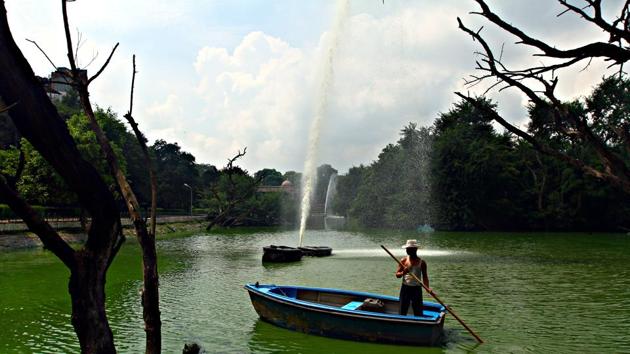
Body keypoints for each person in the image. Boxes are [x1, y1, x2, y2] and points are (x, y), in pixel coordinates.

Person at [395, 239, 431, 316]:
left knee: (418, 312)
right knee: (402, 311)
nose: (407, 250)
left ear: (415, 249)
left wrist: (427, 288)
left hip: (416, 289)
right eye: (407, 249)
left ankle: (418, 324)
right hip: (405, 288)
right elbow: (397, 275)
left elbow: (425, 277)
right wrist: (403, 272)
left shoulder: (422, 262)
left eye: (409, 249)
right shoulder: (404, 260)